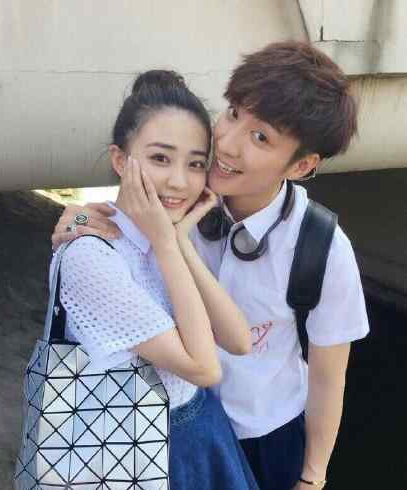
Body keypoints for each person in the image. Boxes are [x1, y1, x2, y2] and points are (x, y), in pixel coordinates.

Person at [52, 42, 370, 490]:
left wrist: (313, 476)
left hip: (265, 435)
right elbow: (123, 225)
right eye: (234, 113)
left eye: (261, 138)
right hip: (164, 428)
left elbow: (327, 376)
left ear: (301, 165)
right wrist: (81, 219)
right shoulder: (180, 198)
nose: (228, 143)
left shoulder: (321, 248)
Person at [51, 70, 259, 490]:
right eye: (160, 159)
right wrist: (167, 242)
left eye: (195, 164)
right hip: (127, 445)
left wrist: (177, 240)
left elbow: (239, 340)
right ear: (119, 160)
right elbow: (204, 367)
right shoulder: (90, 255)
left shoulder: (169, 235)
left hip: (199, 433)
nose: (179, 181)